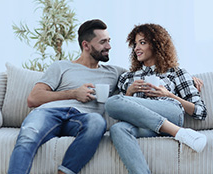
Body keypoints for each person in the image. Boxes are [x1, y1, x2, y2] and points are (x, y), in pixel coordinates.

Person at [8, 19, 128, 174]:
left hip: (82, 118)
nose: (109, 46)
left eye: (109, 41)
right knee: (27, 139)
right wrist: (73, 93)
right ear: (86, 45)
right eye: (103, 42)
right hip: (49, 113)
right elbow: (33, 98)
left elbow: (139, 75)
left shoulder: (115, 72)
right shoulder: (61, 67)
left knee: (97, 121)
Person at [105, 23, 208, 174]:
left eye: (142, 42)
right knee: (117, 127)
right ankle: (179, 134)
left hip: (171, 113)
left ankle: (177, 130)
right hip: (147, 127)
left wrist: (169, 95)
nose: (136, 48)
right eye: (135, 44)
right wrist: (129, 92)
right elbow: (122, 112)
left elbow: (200, 111)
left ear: (157, 45)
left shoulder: (176, 73)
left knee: (113, 101)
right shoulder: (128, 77)